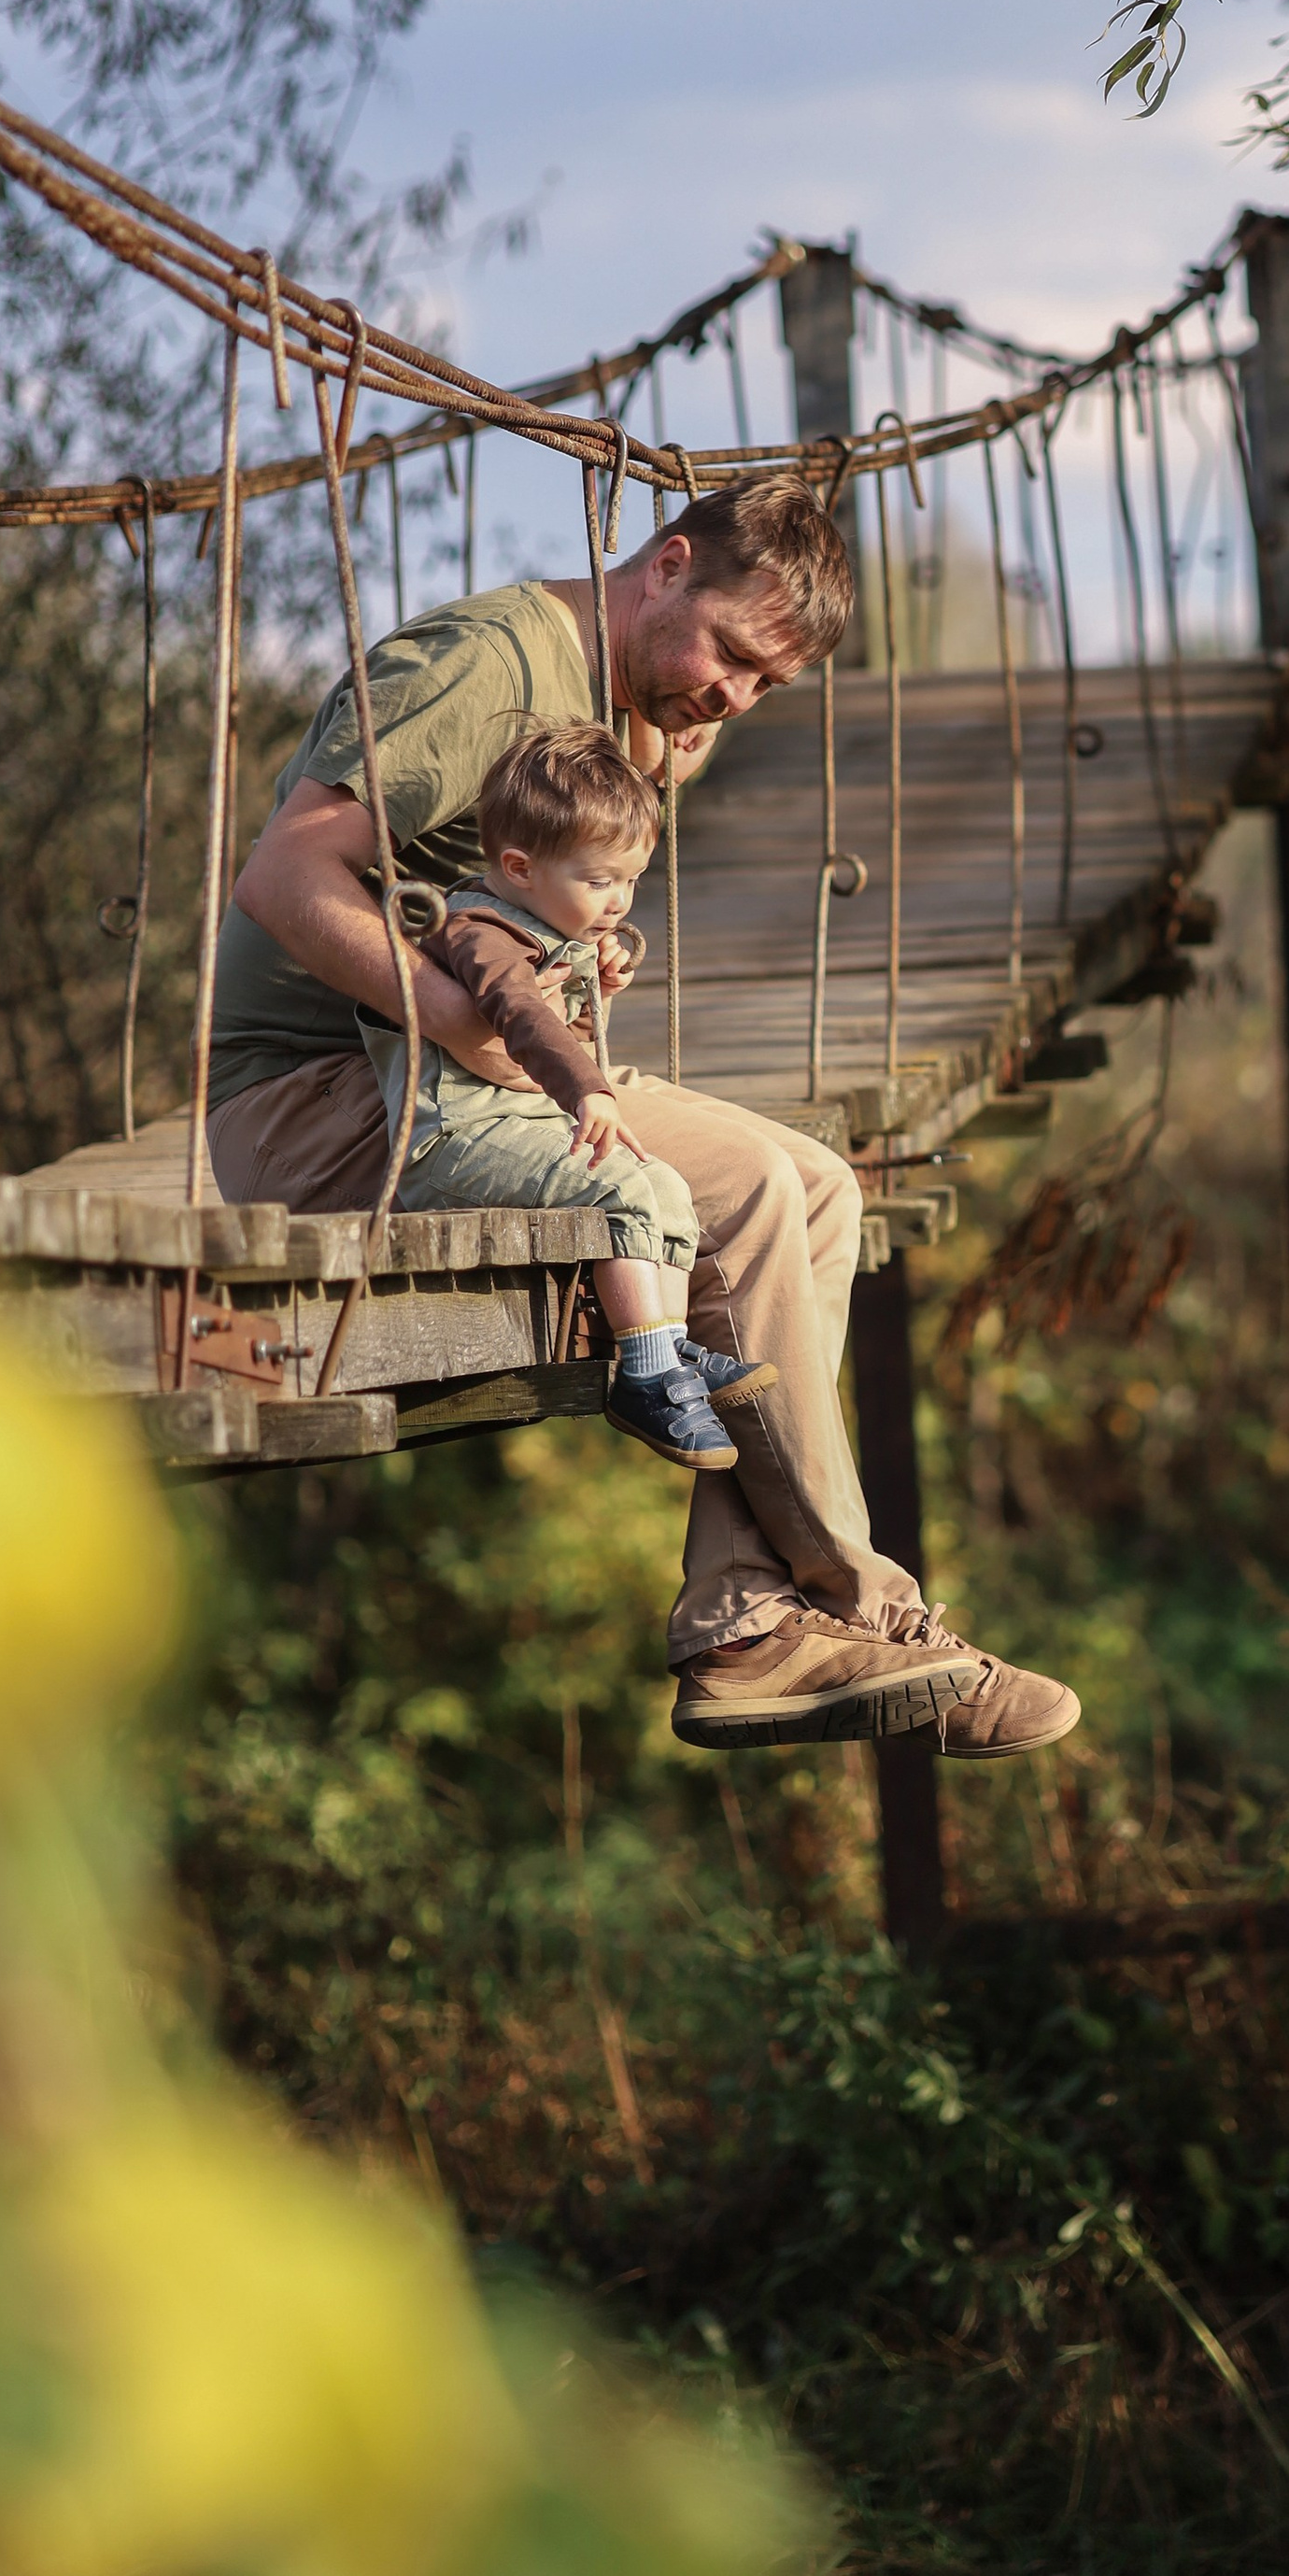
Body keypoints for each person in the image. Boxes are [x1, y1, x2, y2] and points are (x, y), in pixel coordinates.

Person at [208, 472, 1079, 1760]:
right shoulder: (483, 669)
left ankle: (748, 1620)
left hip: (465, 1083)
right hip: (326, 1110)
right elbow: (285, 875)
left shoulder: (640, 707)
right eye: (729, 653)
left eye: (763, 686)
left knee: (823, 1183)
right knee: (750, 1194)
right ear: (664, 564)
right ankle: (860, 1605)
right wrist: (464, 1017)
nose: (731, 695)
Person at [370, 719, 763, 1479]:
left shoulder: (553, 924)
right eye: (600, 881)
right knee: (622, 1187)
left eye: (631, 882)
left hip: (515, 1125)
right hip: (451, 1142)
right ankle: (645, 1374)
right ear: (518, 867)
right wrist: (592, 1089)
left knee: (664, 1186)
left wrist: (597, 994)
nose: (619, 902)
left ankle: (669, 1348)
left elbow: (564, 1031)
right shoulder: (478, 930)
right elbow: (519, 1016)